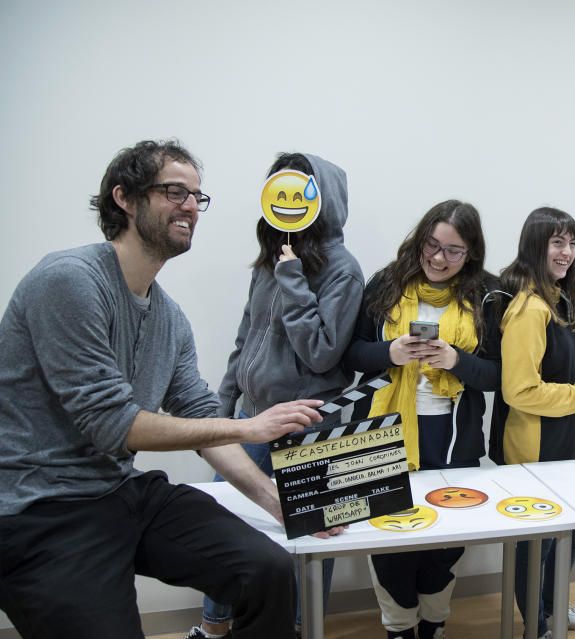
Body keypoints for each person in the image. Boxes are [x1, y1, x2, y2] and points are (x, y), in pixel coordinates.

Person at [0, 140, 331, 639]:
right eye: (175, 191)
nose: (191, 207)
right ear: (125, 199)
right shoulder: (68, 281)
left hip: (121, 491)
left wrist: (274, 501)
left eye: (198, 197)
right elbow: (112, 424)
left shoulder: (169, 316)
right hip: (41, 511)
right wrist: (250, 424)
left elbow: (199, 417)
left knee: (267, 569)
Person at [187, 152, 364, 639]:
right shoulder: (269, 261)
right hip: (249, 419)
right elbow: (244, 340)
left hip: (309, 424)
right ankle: (213, 627)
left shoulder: (343, 270)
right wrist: (221, 414)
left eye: (299, 190)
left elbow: (323, 353)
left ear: (320, 199)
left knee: (315, 539)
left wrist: (292, 279)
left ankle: (305, 629)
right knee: (226, 530)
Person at [343, 200, 502, 639]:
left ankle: (434, 623)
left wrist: (456, 360)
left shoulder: (487, 295)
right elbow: (352, 353)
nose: (437, 258)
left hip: (453, 438)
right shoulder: (385, 284)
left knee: (447, 541)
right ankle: (399, 628)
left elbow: (497, 375)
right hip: (385, 431)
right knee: (388, 541)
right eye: (431, 244)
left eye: (453, 251)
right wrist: (388, 353)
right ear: (419, 240)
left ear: (471, 253)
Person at [489, 206, 575, 638]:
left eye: (573, 242)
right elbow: (520, 390)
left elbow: (552, 368)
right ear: (535, 246)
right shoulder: (528, 307)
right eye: (558, 242)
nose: (567, 252)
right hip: (531, 448)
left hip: (561, 442)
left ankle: (549, 605)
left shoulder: (556, 301)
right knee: (535, 545)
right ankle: (537, 626)